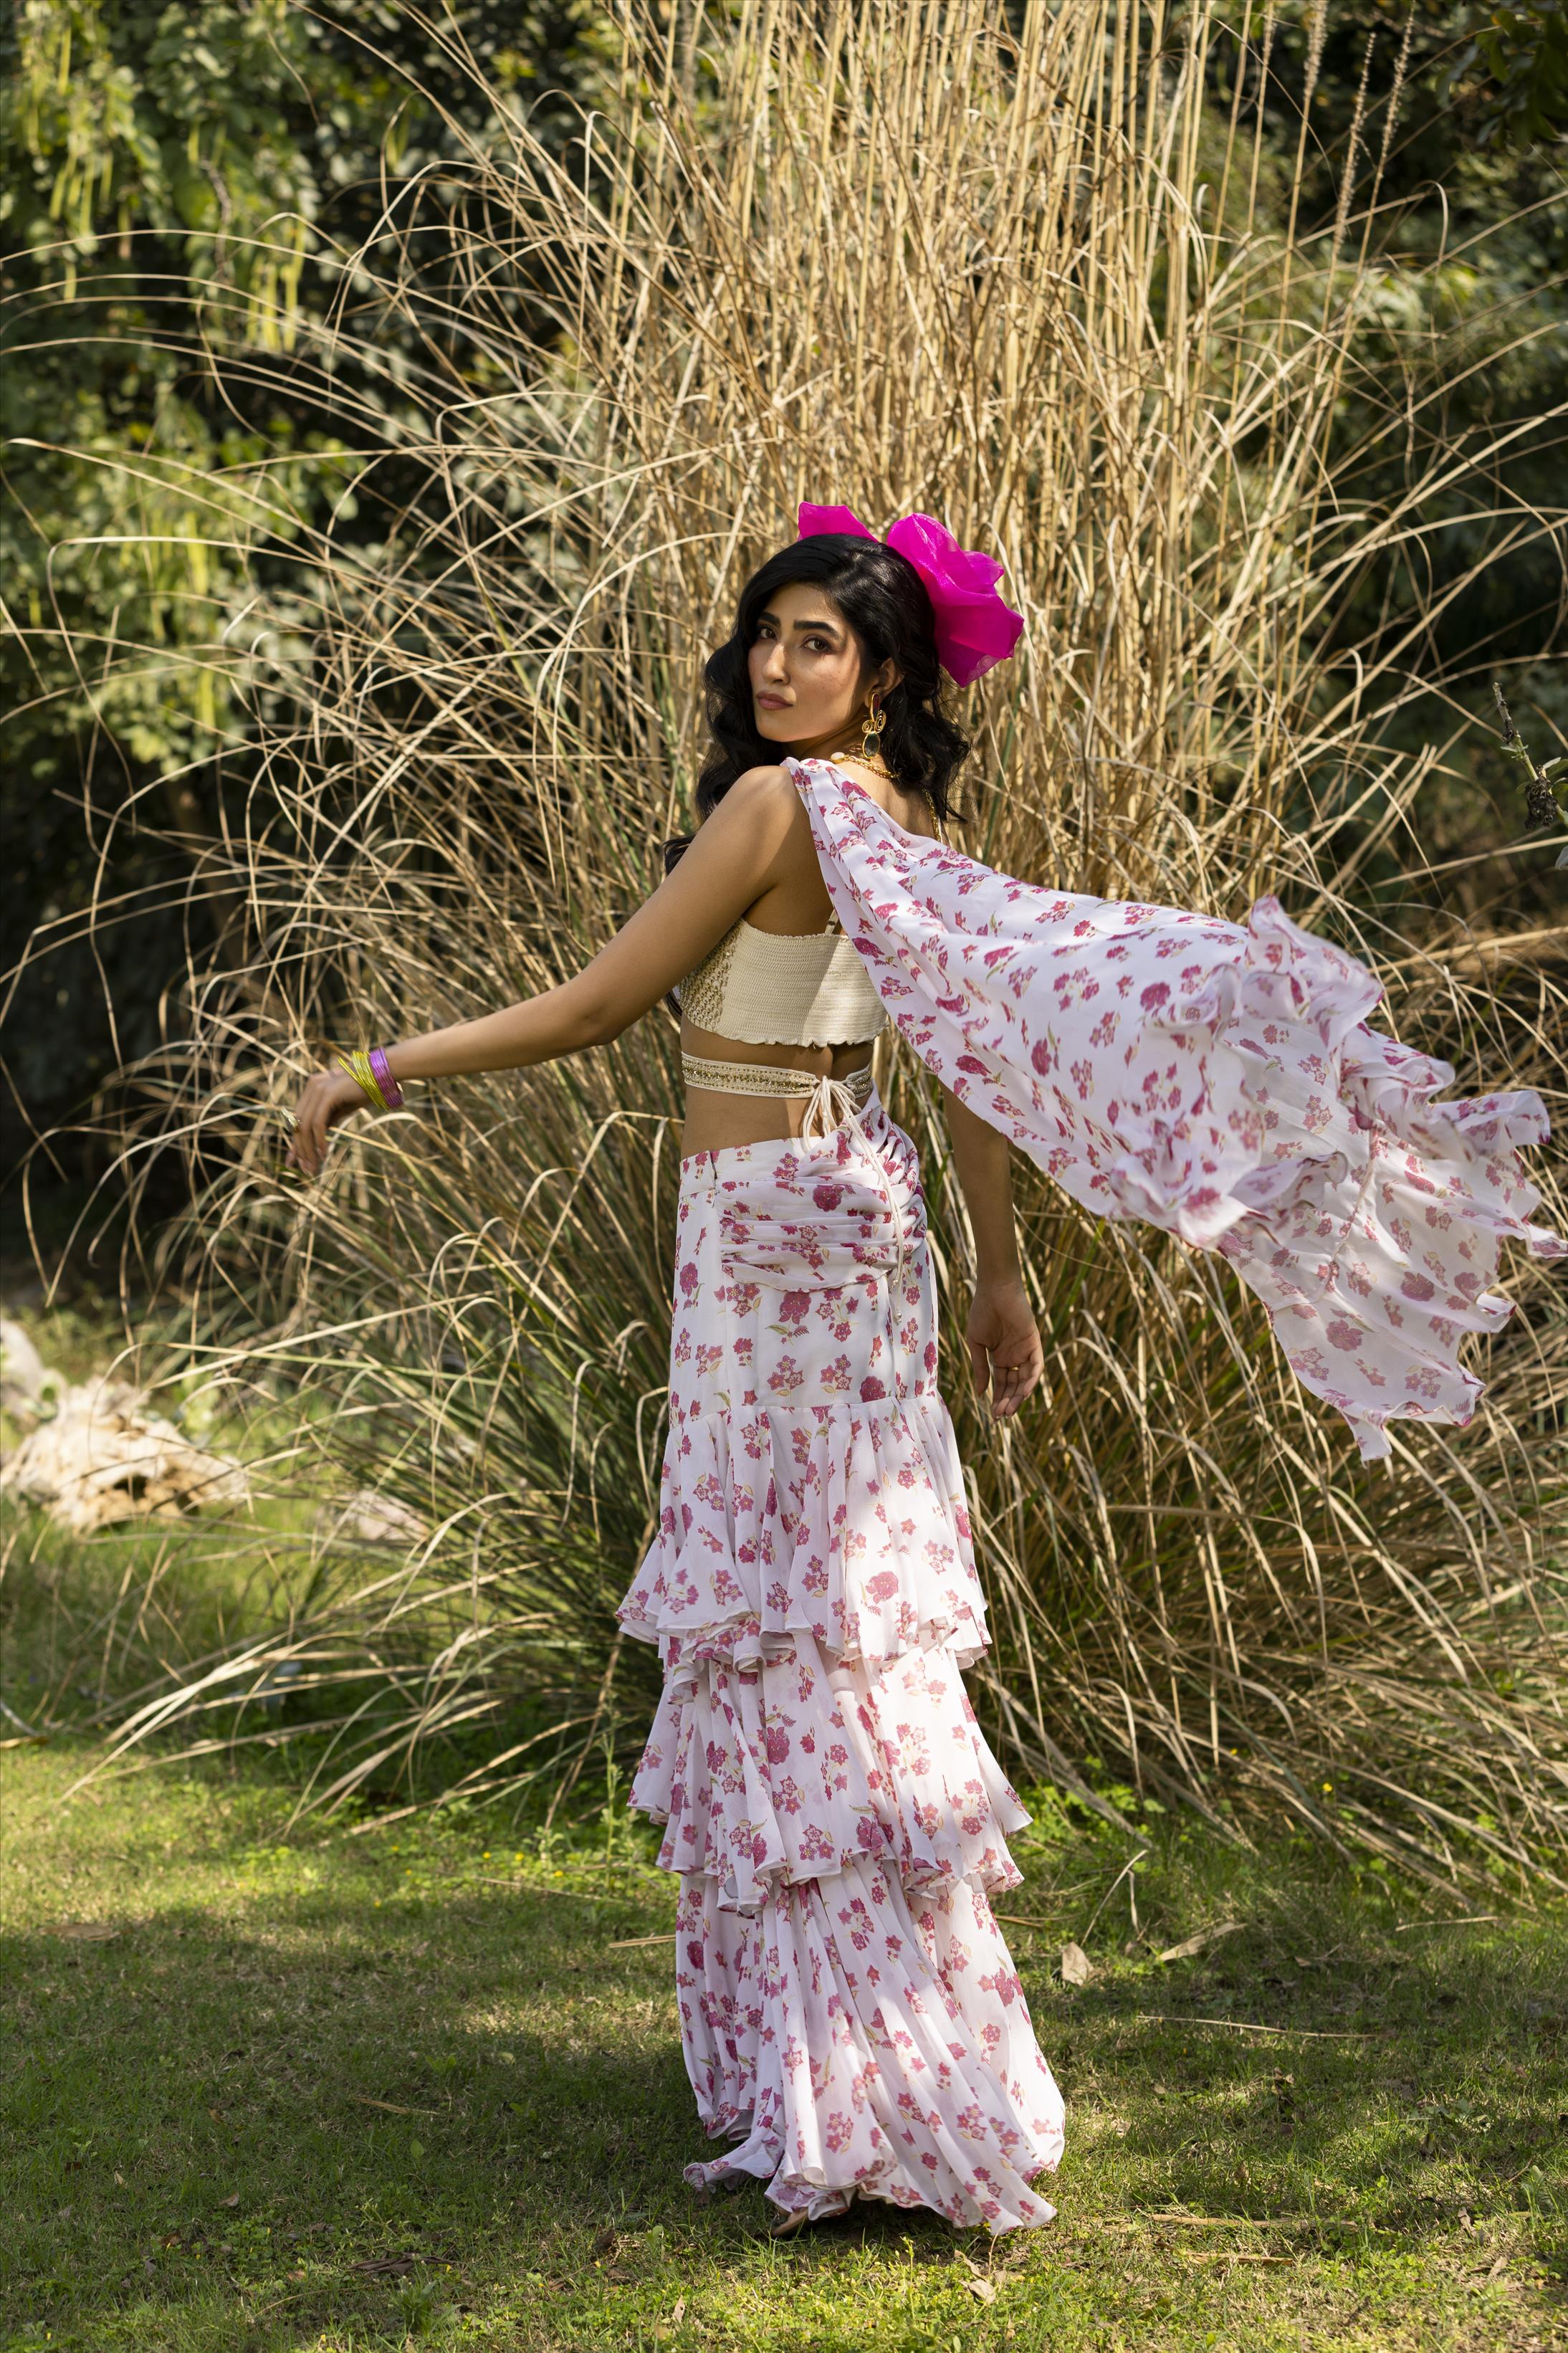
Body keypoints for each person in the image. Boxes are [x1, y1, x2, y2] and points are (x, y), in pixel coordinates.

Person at [287, 502, 1562, 2235]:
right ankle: (886, 2060)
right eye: (769, 632)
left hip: (764, 1225)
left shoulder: (771, 805)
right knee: (845, 1612)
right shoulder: (888, 821)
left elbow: (595, 1009)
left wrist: (371, 1068)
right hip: (860, 1214)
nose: (780, 662)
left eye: (821, 640)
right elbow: (960, 1059)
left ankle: (850, 2080)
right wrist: (997, 1270)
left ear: (883, 675)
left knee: (794, 1619)